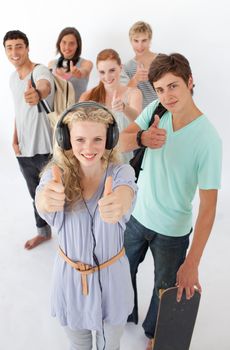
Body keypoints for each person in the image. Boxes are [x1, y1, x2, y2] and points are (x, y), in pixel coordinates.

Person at [119, 53, 222, 350]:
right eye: (161, 89)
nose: (167, 96)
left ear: (190, 82)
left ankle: (153, 335)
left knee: (163, 291)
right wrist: (142, 138)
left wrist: (192, 262)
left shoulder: (209, 140)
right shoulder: (155, 110)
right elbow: (121, 140)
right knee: (120, 272)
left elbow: (209, 207)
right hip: (138, 217)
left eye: (173, 86)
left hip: (172, 232)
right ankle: (123, 317)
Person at [35, 101, 138, 350]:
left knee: (109, 345)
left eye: (97, 139)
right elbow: (43, 195)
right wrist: (45, 200)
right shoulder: (55, 174)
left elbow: (128, 191)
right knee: (78, 346)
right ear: (67, 140)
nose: (89, 148)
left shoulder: (121, 172)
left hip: (112, 281)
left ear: (110, 139)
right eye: (80, 139)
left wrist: (120, 202)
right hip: (70, 280)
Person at [3, 30, 55, 250]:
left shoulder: (39, 70)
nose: (14, 52)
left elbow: (45, 85)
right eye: (9, 47)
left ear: (27, 48)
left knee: (58, 196)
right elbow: (19, 111)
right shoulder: (13, 78)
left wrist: (38, 93)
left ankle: (71, 238)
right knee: (36, 196)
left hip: (46, 149)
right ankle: (43, 232)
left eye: (19, 46)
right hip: (24, 150)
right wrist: (15, 140)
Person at [79, 48, 142, 163]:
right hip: (96, 162)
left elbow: (138, 120)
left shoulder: (133, 93)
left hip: (126, 161)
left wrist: (124, 108)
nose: (107, 77)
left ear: (120, 68)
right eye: (102, 72)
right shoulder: (87, 97)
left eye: (112, 70)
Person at [48, 27, 93, 101]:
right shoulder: (52, 64)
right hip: (56, 111)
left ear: (77, 45)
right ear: (59, 43)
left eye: (71, 43)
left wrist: (79, 73)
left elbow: (85, 71)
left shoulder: (86, 63)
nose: (67, 47)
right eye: (64, 42)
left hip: (77, 111)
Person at [121, 21, 158, 110]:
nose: (140, 45)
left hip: (165, 113)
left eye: (144, 40)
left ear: (150, 40)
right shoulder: (127, 67)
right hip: (143, 117)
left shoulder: (162, 60)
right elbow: (124, 96)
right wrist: (136, 79)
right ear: (131, 41)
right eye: (136, 41)